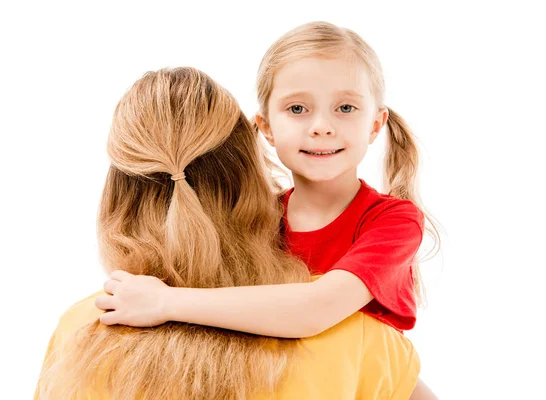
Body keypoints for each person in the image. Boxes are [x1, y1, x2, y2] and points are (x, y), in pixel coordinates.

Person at [97, 21, 441, 398]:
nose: (322, 126)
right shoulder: (257, 219)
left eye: (346, 107)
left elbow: (316, 309)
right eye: (298, 108)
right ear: (266, 127)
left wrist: (164, 302)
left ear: (375, 125)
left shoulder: (394, 221)